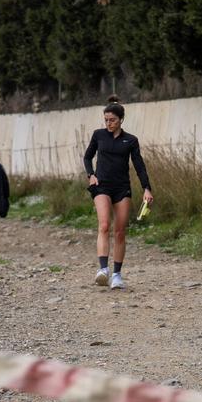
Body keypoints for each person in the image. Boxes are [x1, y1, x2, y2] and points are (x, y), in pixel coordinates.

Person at [83, 95, 153, 290]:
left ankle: (116, 275)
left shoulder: (131, 140)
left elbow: (139, 166)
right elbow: (88, 157)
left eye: (112, 120)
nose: (108, 123)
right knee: (104, 225)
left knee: (120, 232)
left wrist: (147, 188)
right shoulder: (98, 135)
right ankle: (103, 270)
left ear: (121, 120)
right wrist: (91, 175)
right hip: (101, 186)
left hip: (122, 188)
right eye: (106, 120)